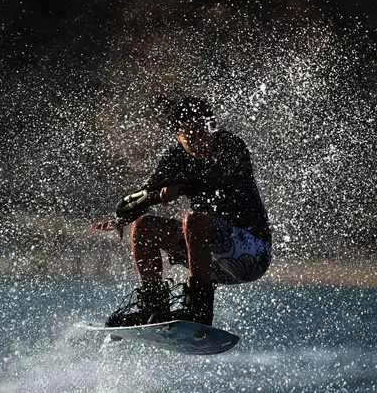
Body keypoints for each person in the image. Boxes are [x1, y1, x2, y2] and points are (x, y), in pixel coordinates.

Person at [91, 97, 271, 327]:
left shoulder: (231, 145)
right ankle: (153, 307)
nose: (200, 139)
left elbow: (216, 177)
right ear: (178, 136)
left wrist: (181, 185)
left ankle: (200, 309)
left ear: (212, 127)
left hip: (252, 255)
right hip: (211, 262)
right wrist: (120, 218)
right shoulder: (175, 158)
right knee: (143, 227)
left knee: (194, 220)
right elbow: (142, 196)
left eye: (204, 130)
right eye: (190, 134)